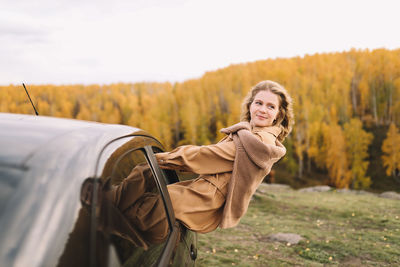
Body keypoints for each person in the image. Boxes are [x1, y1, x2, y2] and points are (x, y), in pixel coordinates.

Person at [110, 80, 294, 247]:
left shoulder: (259, 142)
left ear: (278, 115)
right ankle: (110, 205)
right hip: (203, 190)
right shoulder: (249, 134)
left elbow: (208, 156)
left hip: (207, 199)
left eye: (271, 106)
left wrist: (162, 157)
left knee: (149, 207)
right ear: (250, 105)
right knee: (146, 173)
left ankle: (107, 211)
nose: (262, 109)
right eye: (259, 103)